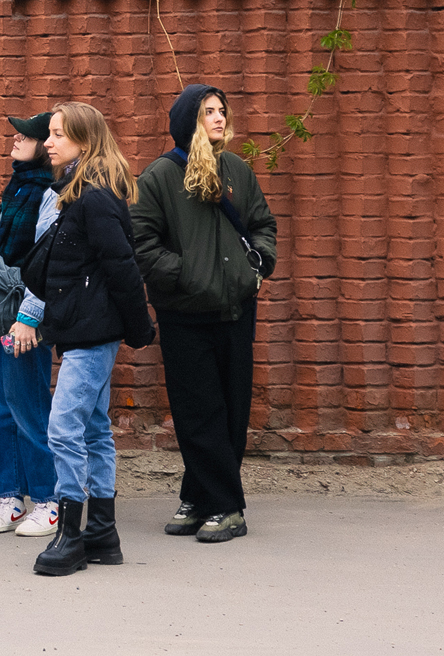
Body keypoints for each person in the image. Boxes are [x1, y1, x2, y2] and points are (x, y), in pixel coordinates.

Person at [131, 82, 279, 546]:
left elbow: (262, 225)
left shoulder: (237, 169)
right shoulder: (158, 177)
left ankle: (201, 497)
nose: (219, 118)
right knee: (198, 413)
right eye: (208, 112)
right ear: (187, 121)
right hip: (185, 313)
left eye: (221, 111)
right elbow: (140, 242)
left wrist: (258, 265)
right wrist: (184, 275)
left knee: (232, 411)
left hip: (236, 308)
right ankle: (224, 505)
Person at [17, 100, 154, 577]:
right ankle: (102, 533)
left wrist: (137, 329)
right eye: (49, 133)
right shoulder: (76, 193)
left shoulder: (93, 198)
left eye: (57, 134)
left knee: (63, 427)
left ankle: (71, 535)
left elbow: (122, 268)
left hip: (94, 334)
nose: (48, 141)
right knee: (94, 428)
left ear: (84, 141)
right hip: (82, 330)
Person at [0, 109, 59, 538]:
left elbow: (43, 265)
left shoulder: (48, 194)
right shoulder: (17, 190)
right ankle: (12, 498)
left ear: (43, 146)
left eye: (24, 136)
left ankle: (48, 499)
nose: (14, 141)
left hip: (25, 323)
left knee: (28, 406)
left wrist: (30, 319)